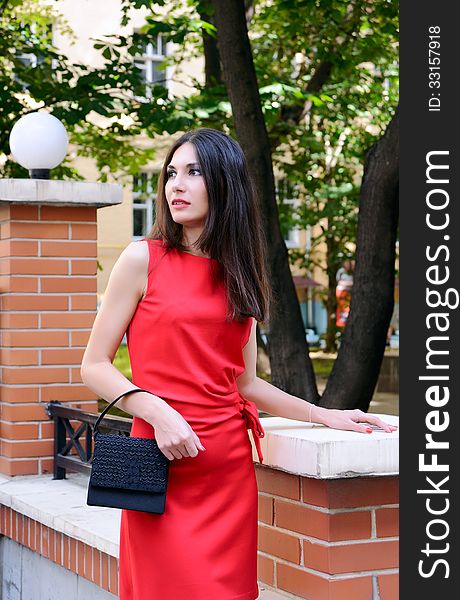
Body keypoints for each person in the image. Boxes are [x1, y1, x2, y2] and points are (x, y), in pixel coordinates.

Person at [80, 128, 397, 600]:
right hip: (161, 464)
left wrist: (324, 414)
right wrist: (157, 410)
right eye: (171, 173)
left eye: (193, 172)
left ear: (225, 184)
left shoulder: (240, 273)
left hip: (226, 469)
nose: (175, 185)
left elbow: (245, 381)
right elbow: (94, 365)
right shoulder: (142, 259)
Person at [335, 258, 354, 328]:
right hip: (342, 291)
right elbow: (339, 281)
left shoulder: (352, 271)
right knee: (343, 307)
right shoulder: (341, 271)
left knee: (347, 308)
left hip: (349, 292)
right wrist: (349, 283)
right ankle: (342, 322)